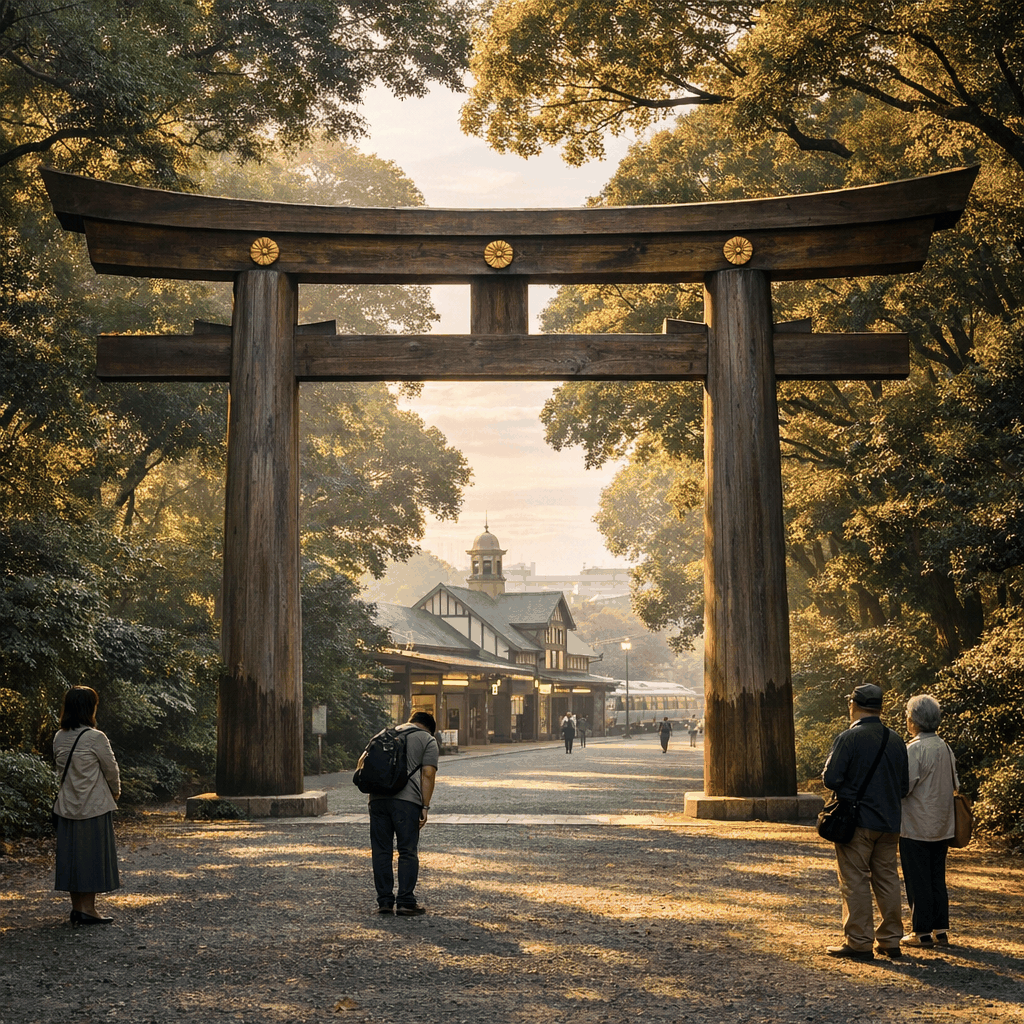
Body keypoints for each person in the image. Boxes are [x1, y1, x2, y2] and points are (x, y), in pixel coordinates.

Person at [822, 683, 909, 960]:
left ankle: (859, 941)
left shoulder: (849, 738)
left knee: (855, 880)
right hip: (890, 822)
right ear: (880, 707)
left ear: (853, 704)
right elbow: (904, 785)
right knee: (887, 879)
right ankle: (891, 939)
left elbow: (831, 778)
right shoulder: (895, 739)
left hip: (857, 822)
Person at [52, 686, 121, 927]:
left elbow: (61, 770)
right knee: (91, 857)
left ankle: (76, 908)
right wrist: (116, 791)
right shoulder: (96, 737)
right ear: (89, 708)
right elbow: (111, 768)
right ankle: (89, 910)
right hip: (93, 805)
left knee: (73, 857)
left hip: (67, 805)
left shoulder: (59, 737)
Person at [900, 694, 958, 949]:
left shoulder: (914, 748)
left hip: (916, 824)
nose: (906, 720)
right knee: (937, 877)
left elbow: (905, 787)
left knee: (917, 878)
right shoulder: (944, 747)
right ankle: (940, 929)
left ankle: (921, 931)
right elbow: (955, 783)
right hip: (942, 823)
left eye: (908, 716)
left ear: (915, 720)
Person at [368, 711, 439, 916]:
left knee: (381, 850)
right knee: (407, 850)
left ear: (411, 722)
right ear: (429, 728)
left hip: (377, 799)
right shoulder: (427, 740)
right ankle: (406, 901)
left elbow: (363, 763)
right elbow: (428, 773)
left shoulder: (382, 734)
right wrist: (425, 806)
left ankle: (384, 902)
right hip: (406, 802)